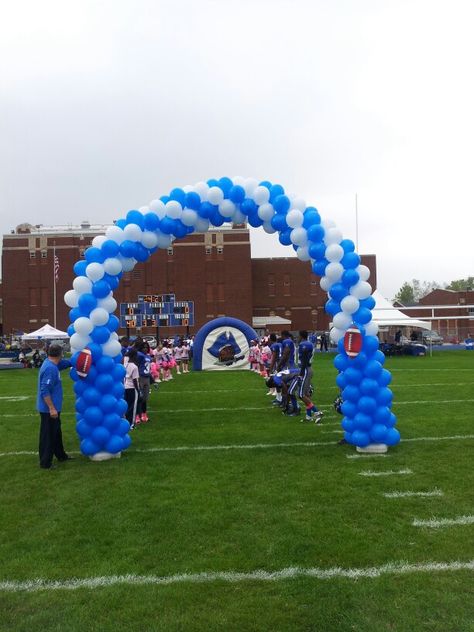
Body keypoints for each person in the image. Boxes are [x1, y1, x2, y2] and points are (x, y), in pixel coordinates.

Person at [36, 344, 73, 469]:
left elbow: (64, 364)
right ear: (61, 354)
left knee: (56, 432)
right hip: (48, 409)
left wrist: (76, 360)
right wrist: (51, 408)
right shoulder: (50, 368)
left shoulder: (52, 363)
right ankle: (45, 463)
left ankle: (61, 455)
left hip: (53, 407)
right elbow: (44, 390)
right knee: (48, 435)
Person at [297, 330, 324, 423]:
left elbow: (304, 360)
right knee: (307, 394)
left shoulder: (303, 344)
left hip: (305, 370)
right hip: (308, 369)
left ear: (301, 336)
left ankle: (317, 412)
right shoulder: (309, 344)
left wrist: (300, 374)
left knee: (301, 394)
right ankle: (308, 416)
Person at [124, 348, 140, 429]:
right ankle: (131, 424)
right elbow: (135, 380)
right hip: (132, 388)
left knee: (126, 405)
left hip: (125, 387)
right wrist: (138, 390)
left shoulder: (125, 365)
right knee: (133, 407)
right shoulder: (134, 366)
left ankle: (126, 421)